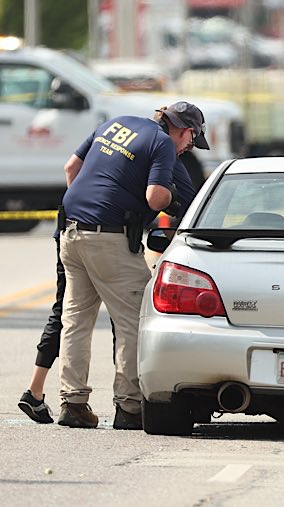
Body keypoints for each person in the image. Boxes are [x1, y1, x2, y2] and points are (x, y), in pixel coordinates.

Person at [54, 101, 205, 430]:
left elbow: (71, 169)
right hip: (110, 240)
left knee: (76, 322)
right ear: (185, 131)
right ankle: (130, 407)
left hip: (71, 232)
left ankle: (72, 402)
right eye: (191, 142)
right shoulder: (163, 143)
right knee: (133, 322)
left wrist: (91, 210)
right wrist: (171, 192)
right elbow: (154, 198)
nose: (187, 150)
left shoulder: (115, 123)